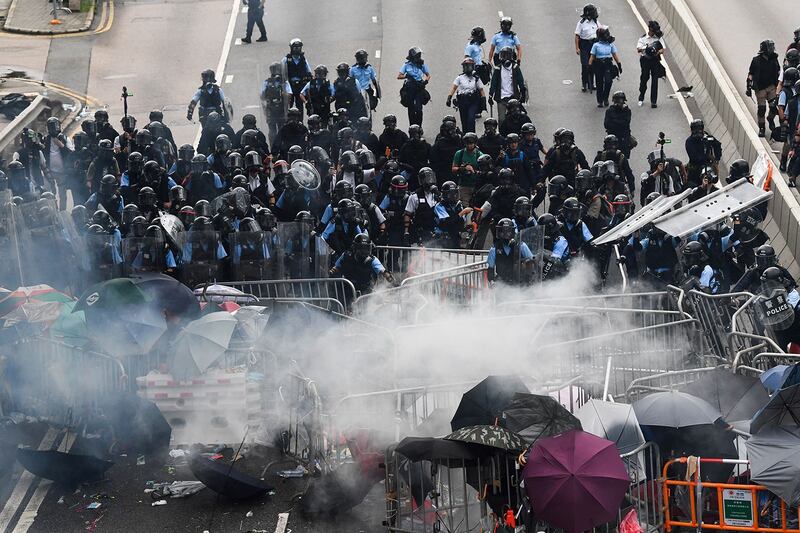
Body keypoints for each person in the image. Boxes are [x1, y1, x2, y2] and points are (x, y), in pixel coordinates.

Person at [329, 233, 395, 296]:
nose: (364, 252)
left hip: (365, 290)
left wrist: (390, 278)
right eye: (361, 248)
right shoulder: (346, 256)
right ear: (355, 247)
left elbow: (383, 271)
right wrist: (331, 272)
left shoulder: (372, 260)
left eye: (366, 248)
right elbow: (336, 268)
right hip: (347, 288)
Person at [747, 40, 781, 137]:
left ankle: (770, 118)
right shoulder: (756, 60)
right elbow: (751, 74)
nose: (771, 49)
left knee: (773, 107)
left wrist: (779, 86)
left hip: (771, 87)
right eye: (769, 47)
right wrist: (748, 86)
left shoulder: (774, 59)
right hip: (760, 89)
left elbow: (778, 72)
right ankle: (762, 128)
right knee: (761, 109)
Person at [487, 218, 534, 285]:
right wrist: (491, 281)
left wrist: (529, 280)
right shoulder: (494, 249)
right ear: (499, 232)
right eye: (502, 232)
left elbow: (532, 261)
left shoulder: (521, 246)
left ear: (512, 232)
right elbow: (490, 268)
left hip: (520, 283)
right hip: (502, 284)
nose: (506, 235)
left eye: (508, 232)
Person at [447, 58, 486, 134]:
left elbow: (481, 89)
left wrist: (483, 99)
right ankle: (465, 137)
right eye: (466, 66)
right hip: (462, 101)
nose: (468, 68)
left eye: (469, 66)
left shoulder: (476, 78)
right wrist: (449, 97)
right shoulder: (460, 78)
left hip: (473, 101)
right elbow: (454, 88)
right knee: (464, 120)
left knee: (471, 119)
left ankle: (472, 135)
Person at [488, 47, 527, 123]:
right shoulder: (497, 69)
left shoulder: (515, 68)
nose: (505, 58)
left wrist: (523, 93)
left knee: (515, 118)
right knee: (502, 119)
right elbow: (493, 83)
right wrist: (490, 95)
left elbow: (520, 81)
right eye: (503, 55)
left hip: (513, 98)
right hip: (501, 98)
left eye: (507, 55)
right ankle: (502, 134)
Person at [42, 116, 73, 209]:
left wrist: (61, 145)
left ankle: (62, 211)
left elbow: (71, 154)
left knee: (62, 194)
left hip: (62, 172)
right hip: (50, 171)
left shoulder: (65, 139)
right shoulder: (46, 139)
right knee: (50, 194)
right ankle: (53, 210)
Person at [588, 27, 623, 108]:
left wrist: (619, 64)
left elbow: (614, 54)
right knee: (599, 83)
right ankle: (600, 100)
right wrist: (589, 66)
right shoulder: (596, 45)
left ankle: (605, 97)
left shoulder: (610, 44)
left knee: (608, 82)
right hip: (598, 65)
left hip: (607, 64)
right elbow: (592, 56)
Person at [398, 47, 431, 127]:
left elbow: (428, 75)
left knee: (419, 109)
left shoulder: (421, 65)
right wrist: (406, 76)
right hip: (410, 87)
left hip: (419, 86)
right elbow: (399, 76)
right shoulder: (406, 65)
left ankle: (419, 127)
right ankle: (412, 126)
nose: (419, 57)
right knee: (411, 108)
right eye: (417, 56)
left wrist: (425, 81)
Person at [636, 20, 666, 108]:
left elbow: (663, 49)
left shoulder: (658, 38)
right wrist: (648, 48)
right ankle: (641, 97)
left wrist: (657, 52)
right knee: (644, 78)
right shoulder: (643, 38)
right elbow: (638, 49)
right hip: (645, 60)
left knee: (655, 80)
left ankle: (653, 101)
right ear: (650, 29)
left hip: (655, 60)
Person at [685, 119, 722, 187]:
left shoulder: (708, 138)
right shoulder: (689, 142)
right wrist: (707, 156)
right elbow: (694, 158)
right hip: (695, 169)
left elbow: (717, 145)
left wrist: (717, 159)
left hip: (708, 167)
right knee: (692, 187)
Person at [283, 39, 313, 119]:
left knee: (300, 105)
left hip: (300, 86)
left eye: (299, 47)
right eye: (295, 47)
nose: (297, 49)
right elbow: (282, 73)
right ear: (291, 48)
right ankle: (287, 120)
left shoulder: (303, 59)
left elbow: (309, 71)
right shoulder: (286, 59)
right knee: (288, 104)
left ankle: (300, 121)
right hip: (290, 86)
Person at [777, 68, 799, 173]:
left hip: (797, 123)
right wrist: (784, 122)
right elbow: (781, 107)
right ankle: (783, 161)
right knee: (788, 144)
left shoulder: (795, 90)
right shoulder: (785, 93)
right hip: (791, 121)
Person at [261, 62, 289, 142]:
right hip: (274, 109)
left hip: (279, 109)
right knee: (274, 130)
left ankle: (278, 146)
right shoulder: (268, 82)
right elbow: (262, 95)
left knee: (279, 129)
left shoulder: (283, 82)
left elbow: (289, 94)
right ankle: (275, 147)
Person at [575, 4, 600, 93]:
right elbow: (577, 36)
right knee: (585, 65)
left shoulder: (596, 22)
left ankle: (591, 84)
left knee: (592, 65)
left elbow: (600, 31)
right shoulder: (581, 23)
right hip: (584, 45)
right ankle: (584, 83)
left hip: (593, 44)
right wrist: (577, 48)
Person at [350, 49, 382, 117]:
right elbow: (349, 80)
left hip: (367, 91)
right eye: (361, 58)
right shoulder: (352, 69)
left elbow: (374, 81)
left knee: (368, 108)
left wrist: (378, 95)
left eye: (364, 58)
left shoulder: (369, 68)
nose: (362, 59)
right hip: (357, 92)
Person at [604, 91, 634, 158]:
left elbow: (625, 124)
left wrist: (614, 121)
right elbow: (606, 124)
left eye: (621, 100)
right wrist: (619, 122)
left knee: (624, 158)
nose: (620, 102)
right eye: (617, 100)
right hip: (612, 139)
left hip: (624, 138)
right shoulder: (609, 111)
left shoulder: (627, 111)